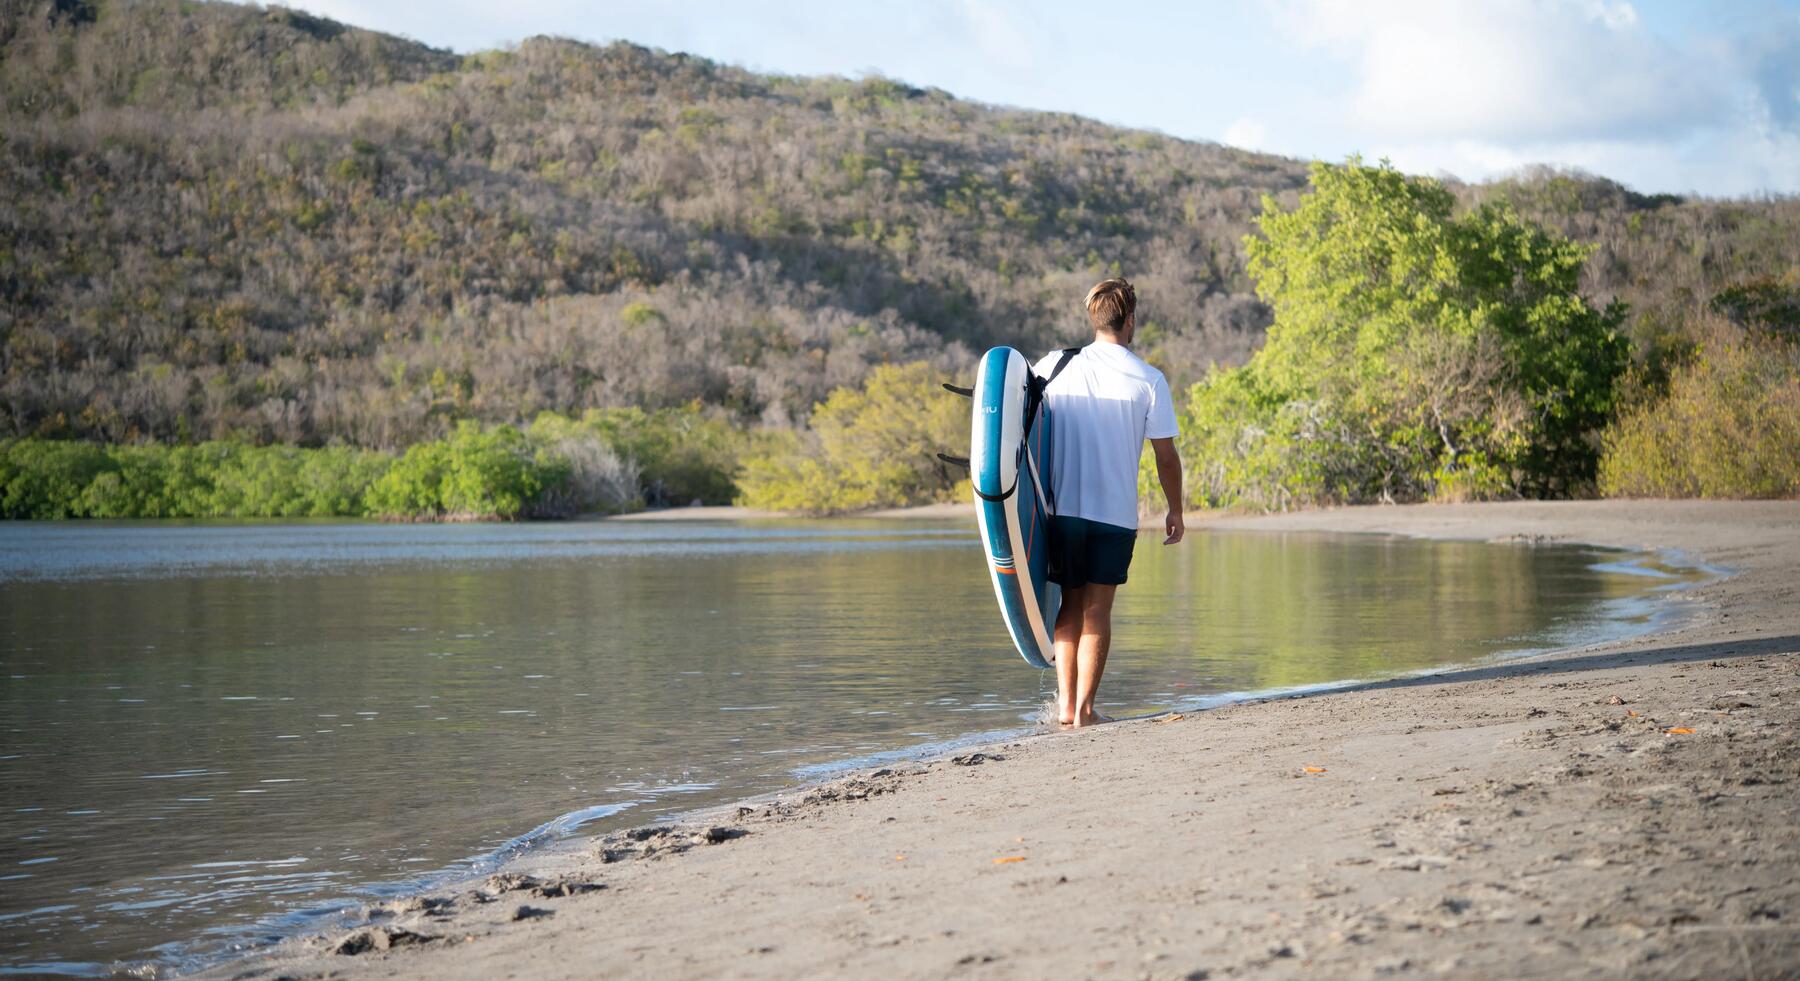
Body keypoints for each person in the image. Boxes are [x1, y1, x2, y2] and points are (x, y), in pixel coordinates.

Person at [1034, 277, 1184, 728]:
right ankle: (1084, 711)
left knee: (1069, 605)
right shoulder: (1149, 379)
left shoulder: (1054, 367)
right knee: (1098, 609)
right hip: (1115, 516)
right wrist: (1175, 509)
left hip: (1063, 512)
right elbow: (1166, 456)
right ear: (1131, 320)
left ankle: (1064, 708)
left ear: (1093, 318)